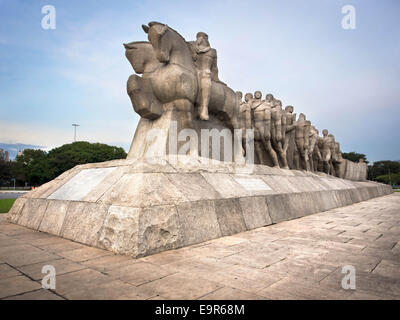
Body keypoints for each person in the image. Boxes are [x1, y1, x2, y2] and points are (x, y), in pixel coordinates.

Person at [189, 32, 221, 121]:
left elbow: (214, 67)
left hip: (205, 72)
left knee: (205, 76)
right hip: (193, 70)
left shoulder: (212, 51)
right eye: (198, 37)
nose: (199, 39)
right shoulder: (192, 48)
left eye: (202, 37)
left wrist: (216, 79)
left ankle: (204, 108)